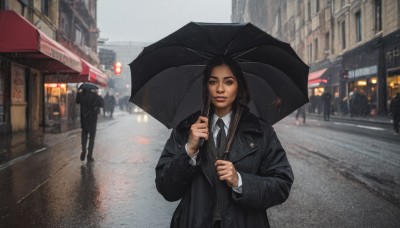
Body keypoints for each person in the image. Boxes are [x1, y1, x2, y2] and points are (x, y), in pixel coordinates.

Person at [155, 56, 294, 228]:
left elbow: (282, 185)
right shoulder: (185, 130)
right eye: (213, 82)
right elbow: (166, 188)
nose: (220, 89)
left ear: (238, 87)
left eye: (228, 82)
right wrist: (189, 150)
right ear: (206, 86)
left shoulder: (261, 132)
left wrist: (240, 181)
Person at [76, 84, 104, 162]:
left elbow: (77, 101)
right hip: (92, 120)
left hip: (84, 119)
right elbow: (102, 104)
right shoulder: (95, 96)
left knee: (84, 136)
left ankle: (83, 150)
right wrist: (98, 95)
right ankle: (89, 155)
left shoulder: (81, 95)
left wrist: (79, 92)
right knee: (92, 138)